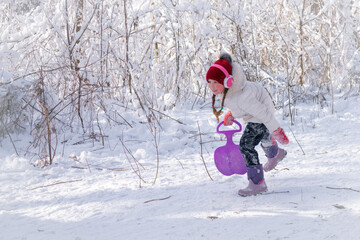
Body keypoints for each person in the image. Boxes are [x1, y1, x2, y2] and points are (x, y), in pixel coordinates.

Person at [206, 53, 289, 196]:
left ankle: (258, 183)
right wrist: (231, 114)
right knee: (263, 136)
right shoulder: (230, 91)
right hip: (255, 110)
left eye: (215, 82)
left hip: (261, 113)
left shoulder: (243, 97)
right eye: (209, 82)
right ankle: (276, 154)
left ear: (228, 81)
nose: (212, 86)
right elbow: (235, 103)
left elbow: (264, 114)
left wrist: (277, 131)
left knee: (246, 145)